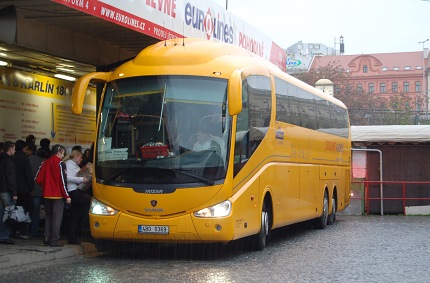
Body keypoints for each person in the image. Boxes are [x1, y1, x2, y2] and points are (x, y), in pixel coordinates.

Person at [35, 144, 71, 247]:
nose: (63, 156)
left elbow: (37, 179)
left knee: (49, 216)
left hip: (46, 195)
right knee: (57, 218)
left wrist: (44, 187)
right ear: (59, 152)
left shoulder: (44, 163)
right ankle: (54, 240)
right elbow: (62, 182)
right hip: (57, 195)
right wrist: (67, 196)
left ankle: (46, 237)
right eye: (63, 154)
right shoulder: (60, 164)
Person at [64, 149, 91, 244]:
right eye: (80, 157)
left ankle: (73, 237)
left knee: (75, 214)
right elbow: (67, 177)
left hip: (76, 189)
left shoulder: (74, 165)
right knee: (89, 202)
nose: (81, 159)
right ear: (76, 156)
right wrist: (81, 179)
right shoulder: (69, 164)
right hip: (73, 190)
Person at [12, 139, 34, 239]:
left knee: (13, 210)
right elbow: (28, 174)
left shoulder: (11, 158)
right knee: (24, 210)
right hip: (24, 189)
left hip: (13, 188)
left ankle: (12, 231)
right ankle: (22, 232)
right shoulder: (25, 159)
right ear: (23, 148)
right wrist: (31, 187)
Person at [24, 142, 46, 238]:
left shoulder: (27, 160)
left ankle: (24, 231)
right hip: (39, 190)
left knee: (26, 211)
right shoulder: (43, 162)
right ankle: (33, 231)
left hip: (27, 189)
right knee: (35, 213)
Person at [0, 141, 18, 244]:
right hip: (7, 191)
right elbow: (11, 178)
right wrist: (14, 193)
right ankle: (4, 236)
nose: (15, 151)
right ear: (10, 149)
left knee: (1, 214)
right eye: (14, 149)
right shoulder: (9, 161)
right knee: (8, 214)